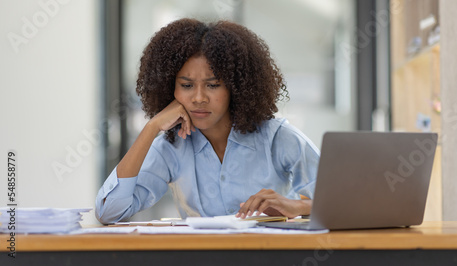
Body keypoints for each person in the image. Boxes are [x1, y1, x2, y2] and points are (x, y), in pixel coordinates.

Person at [95, 18, 319, 224]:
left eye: (213, 85)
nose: (199, 98)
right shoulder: (171, 147)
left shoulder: (278, 138)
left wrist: (295, 206)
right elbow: (109, 212)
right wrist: (151, 127)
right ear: (170, 88)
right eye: (186, 85)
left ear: (235, 86)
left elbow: (344, 204)